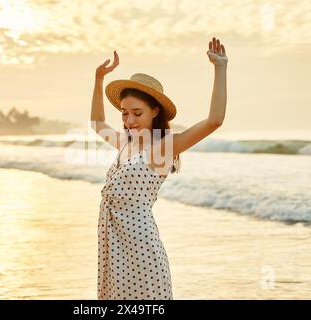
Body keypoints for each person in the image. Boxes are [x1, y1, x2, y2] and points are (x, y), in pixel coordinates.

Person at [90, 37, 228, 300]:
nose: (129, 120)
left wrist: (220, 68)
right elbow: (97, 122)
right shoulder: (125, 143)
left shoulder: (162, 148)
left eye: (137, 113)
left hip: (141, 252)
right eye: (124, 113)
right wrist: (98, 79)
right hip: (113, 249)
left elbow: (214, 121)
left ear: (155, 111)